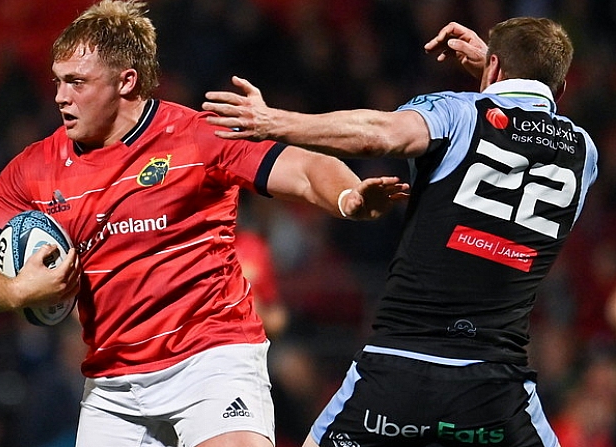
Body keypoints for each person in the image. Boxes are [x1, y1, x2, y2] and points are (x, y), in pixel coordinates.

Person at [0, 1, 408, 447]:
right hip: (113, 384)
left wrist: (348, 197)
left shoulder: (198, 136)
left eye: (77, 82)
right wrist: (16, 291)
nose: (61, 97)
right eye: (58, 82)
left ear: (126, 82)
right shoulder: (35, 167)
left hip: (212, 362)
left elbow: (304, 169)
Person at [203, 17, 598, 447]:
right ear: (559, 89)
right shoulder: (584, 152)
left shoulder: (459, 112)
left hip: (397, 371)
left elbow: (382, 134)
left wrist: (274, 122)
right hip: (495, 387)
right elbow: (528, 120)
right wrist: (501, 65)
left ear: (494, 67)